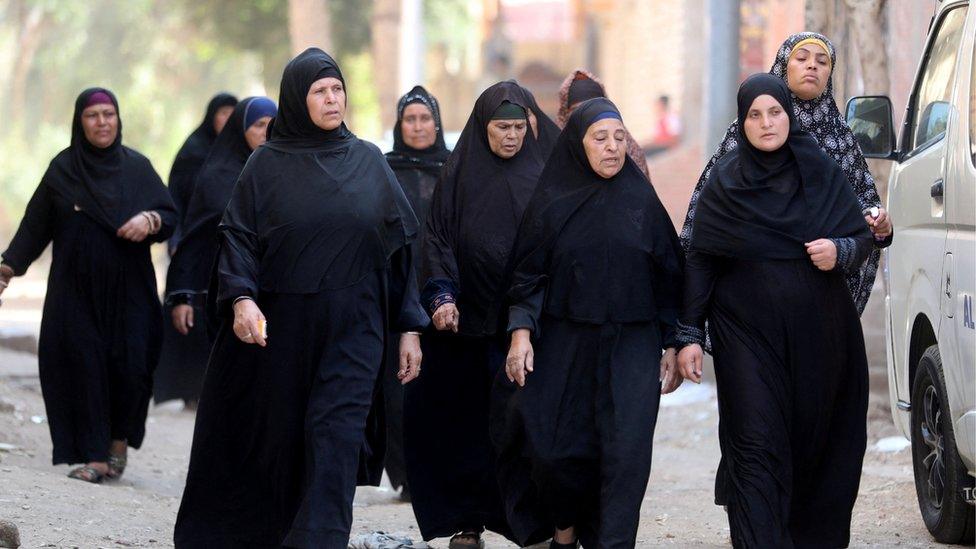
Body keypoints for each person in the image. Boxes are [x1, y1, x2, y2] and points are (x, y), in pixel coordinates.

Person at [173, 49, 427, 548]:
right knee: (284, 441)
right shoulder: (266, 165)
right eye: (319, 91)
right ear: (297, 98)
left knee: (336, 439)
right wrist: (243, 299)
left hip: (356, 329)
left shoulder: (369, 161)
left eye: (337, 89)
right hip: (283, 330)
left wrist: (410, 327)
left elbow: (399, 251)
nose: (333, 99)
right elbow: (239, 238)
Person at [677, 74, 872, 548]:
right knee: (754, 442)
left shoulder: (820, 170)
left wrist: (840, 250)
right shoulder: (725, 182)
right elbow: (701, 257)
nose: (767, 123)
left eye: (775, 112)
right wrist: (687, 335)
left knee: (816, 443)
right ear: (742, 123)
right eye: (755, 115)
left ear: (789, 114)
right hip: (746, 334)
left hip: (820, 336)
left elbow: (863, 238)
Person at [496, 97, 684, 548]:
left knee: (625, 457)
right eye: (600, 138)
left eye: (620, 138)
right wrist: (520, 333)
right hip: (564, 342)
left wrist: (675, 342)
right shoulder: (552, 202)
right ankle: (564, 530)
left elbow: (671, 276)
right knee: (558, 453)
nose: (612, 147)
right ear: (578, 145)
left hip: (633, 345)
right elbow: (527, 274)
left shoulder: (642, 201)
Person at [403, 81, 554, 548]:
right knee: (465, 429)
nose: (510, 136)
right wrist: (442, 296)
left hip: (528, 328)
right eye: (500, 127)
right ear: (481, 127)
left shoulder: (548, 174)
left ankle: (536, 525)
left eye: (517, 126)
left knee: (525, 427)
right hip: (464, 329)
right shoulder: (459, 172)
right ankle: (468, 521)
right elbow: (438, 237)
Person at [0, 88, 176, 483]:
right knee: (83, 366)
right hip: (74, 292)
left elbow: (169, 215)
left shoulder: (137, 168)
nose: (102, 122)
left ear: (118, 118)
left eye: (109, 114)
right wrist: (7, 269)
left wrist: (149, 220)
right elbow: (34, 226)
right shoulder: (63, 170)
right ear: (80, 122)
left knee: (131, 367)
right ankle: (95, 455)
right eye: (93, 115)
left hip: (130, 292)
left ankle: (118, 438)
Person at [680, 32, 893, 315]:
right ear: (783, 66)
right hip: (751, 289)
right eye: (801, 59)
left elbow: (860, 211)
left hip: (821, 289)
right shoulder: (751, 128)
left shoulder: (841, 137)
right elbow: (707, 212)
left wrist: (877, 225)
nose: (812, 66)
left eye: (822, 61)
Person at [155, 96, 277, 406]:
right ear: (242, 129)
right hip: (224, 292)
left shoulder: (284, 172)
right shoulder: (216, 175)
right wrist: (182, 295)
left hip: (275, 290)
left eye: (273, 125)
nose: (267, 132)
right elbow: (195, 238)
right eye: (259, 125)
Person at [381, 85, 451, 501]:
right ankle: (406, 474)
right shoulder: (383, 170)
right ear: (399, 124)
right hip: (394, 290)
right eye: (411, 118)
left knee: (440, 384)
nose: (419, 126)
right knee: (397, 386)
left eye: (426, 118)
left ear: (437, 124)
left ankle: (437, 471)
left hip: (444, 289)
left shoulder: (454, 169)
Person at [167, 92, 238, 252]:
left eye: (234, 113)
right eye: (224, 113)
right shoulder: (194, 150)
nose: (229, 118)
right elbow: (178, 195)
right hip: (193, 233)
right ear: (212, 116)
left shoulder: (240, 151)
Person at [557, 69, 651, 180]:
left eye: (593, 108)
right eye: (578, 111)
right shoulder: (554, 157)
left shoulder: (633, 157)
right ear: (566, 113)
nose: (613, 146)